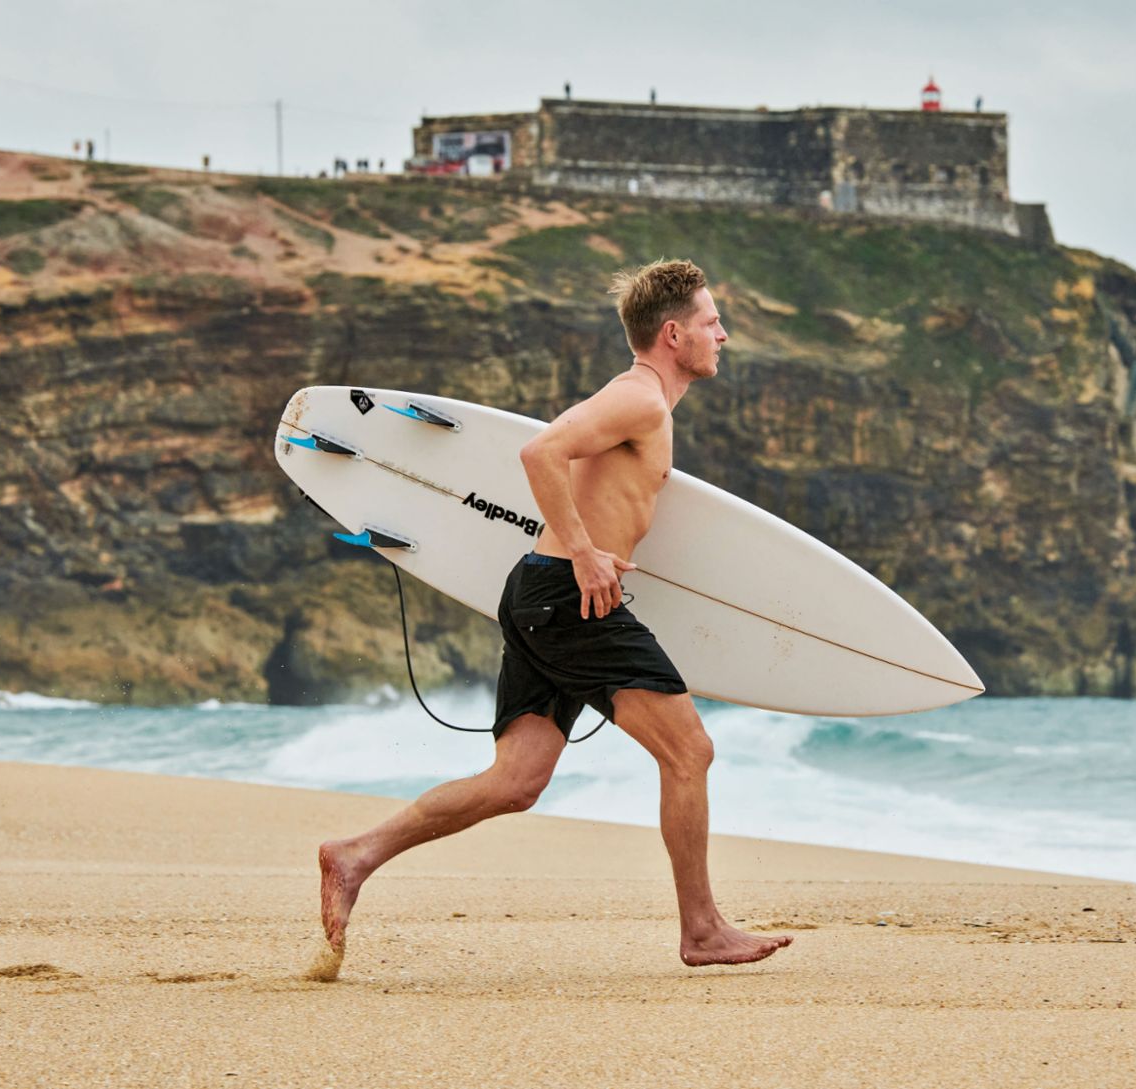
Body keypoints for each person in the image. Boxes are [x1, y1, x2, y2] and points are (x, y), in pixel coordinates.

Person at [316, 259, 792, 973]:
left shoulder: (649, 404)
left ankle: (354, 855)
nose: (722, 334)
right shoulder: (639, 400)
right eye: (709, 322)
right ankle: (702, 929)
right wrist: (585, 551)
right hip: (571, 599)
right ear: (672, 334)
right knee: (688, 751)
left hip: (545, 595)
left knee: (516, 781)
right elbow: (540, 450)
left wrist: (585, 553)